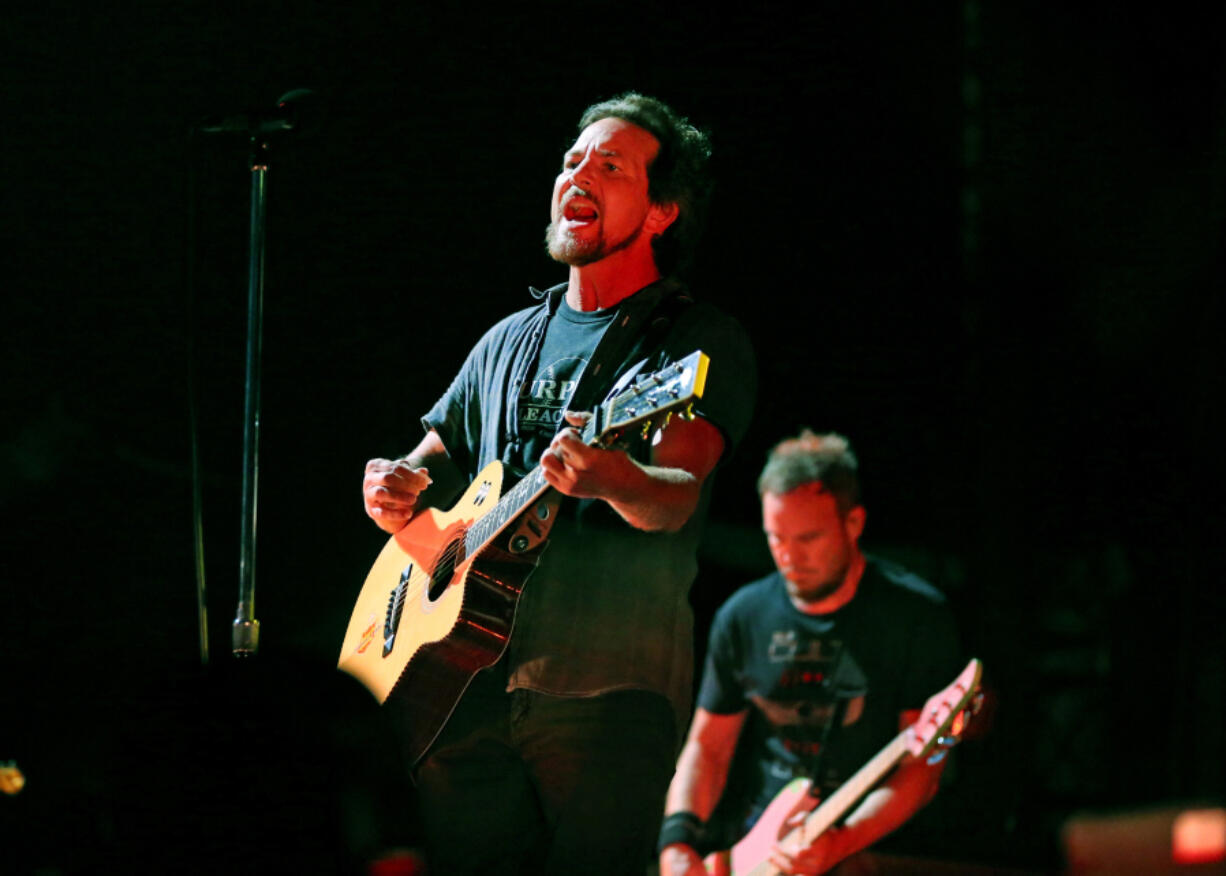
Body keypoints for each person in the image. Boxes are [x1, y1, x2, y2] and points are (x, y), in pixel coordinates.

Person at [361, 92, 756, 875]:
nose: (580, 173)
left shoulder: (690, 341)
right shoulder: (506, 340)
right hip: (457, 693)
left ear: (661, 211)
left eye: (610, 166)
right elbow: (428, 458)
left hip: (604, 687)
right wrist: (395, 486)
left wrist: (615, 477)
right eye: (573, 160)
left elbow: (674, 493)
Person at [659, 431, 962, 876]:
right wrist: (677, 843)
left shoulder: (916, 617)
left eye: (808, 538)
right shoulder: (743, 616)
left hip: (872, 846)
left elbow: (922, 772)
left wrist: (841, 843)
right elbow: (708, 748)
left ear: (854, 523)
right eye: (776, 537)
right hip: (755, 848)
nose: (788, 557)